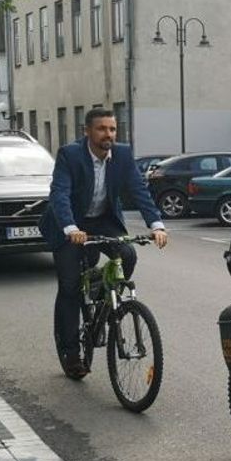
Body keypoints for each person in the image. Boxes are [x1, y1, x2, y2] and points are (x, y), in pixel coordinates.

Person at [40, 108, 168, 378]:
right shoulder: (70, 155)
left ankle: (102, 298)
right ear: (87, 131)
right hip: (69, 224)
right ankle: (71, 352)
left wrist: (156, 225)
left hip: (102, 220)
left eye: (112, 129)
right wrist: (71, 227)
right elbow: (59, 193)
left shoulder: (121, 154)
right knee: (70, 287)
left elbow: (138, 189)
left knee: (128, 254)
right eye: (101, 129)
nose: (108, 134)